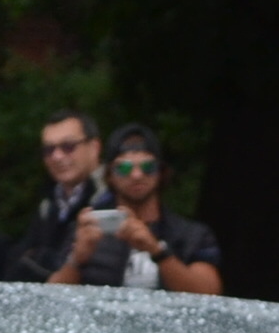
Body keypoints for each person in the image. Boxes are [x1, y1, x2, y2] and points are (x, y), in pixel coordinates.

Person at [48, 124, 223, 293]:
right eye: (124, 168)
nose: (137, 175)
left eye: (148, 167)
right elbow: (50, 297)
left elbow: (209, 295)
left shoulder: (191, 235)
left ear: (161, 172)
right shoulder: (87, 232)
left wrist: (158, 251)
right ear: (109, 175)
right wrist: (76, 259)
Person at [10, 109, 106, 281]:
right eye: (48, 150)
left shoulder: (115, 195)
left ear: (94, 148)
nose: (57, 156)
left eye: (68, 147)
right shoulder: (47, 205)